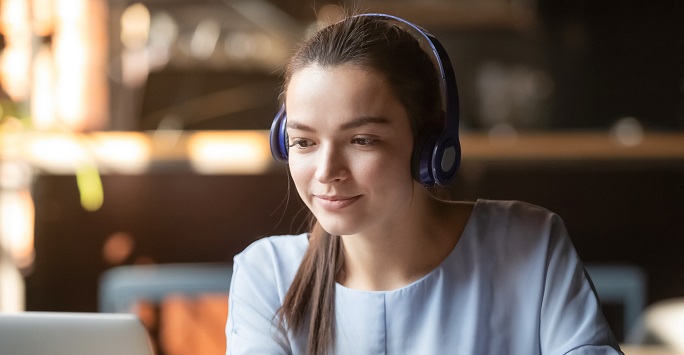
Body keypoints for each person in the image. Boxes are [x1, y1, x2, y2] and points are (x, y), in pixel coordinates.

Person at [225, 13, 622, 355]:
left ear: (430, 146)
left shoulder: (530, 245)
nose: (327, 171)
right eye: (304, 142)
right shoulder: (268, 276)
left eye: (362, 140)